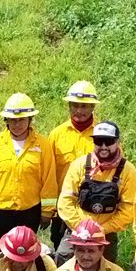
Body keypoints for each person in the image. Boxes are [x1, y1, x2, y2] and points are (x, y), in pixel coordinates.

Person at [0, 93, 57, 243]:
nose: (17, 124)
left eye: (21, 120)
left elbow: (49, 181)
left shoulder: (43, 145)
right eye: (13, 120)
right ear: (6, 120)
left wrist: (47, 212)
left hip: (30, 211)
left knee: (27, 249)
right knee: (5, 249)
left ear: (30, 119)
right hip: (1, 211)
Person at [57, 122, 136, 250]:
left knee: (107, 263)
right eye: (99, 141)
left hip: (107, 233)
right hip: (77, 229)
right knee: (63, 257)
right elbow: (66, 201)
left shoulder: (128, 171)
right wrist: (81, 227)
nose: (103, 146)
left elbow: (129, 209)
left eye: (109, 141)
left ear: (117, 142)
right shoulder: (79, 165)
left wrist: (101, 230)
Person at [47, 81, 102, 245]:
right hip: (65, 206)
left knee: (96, 251)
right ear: (69, 106)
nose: (79, 110)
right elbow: (49, 174)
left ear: (93, 107)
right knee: (62, 251)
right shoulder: (56, 135)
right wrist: (50, 208)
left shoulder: (103, 134)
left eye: (84, 106)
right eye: (75, 105)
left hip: (95, 208)